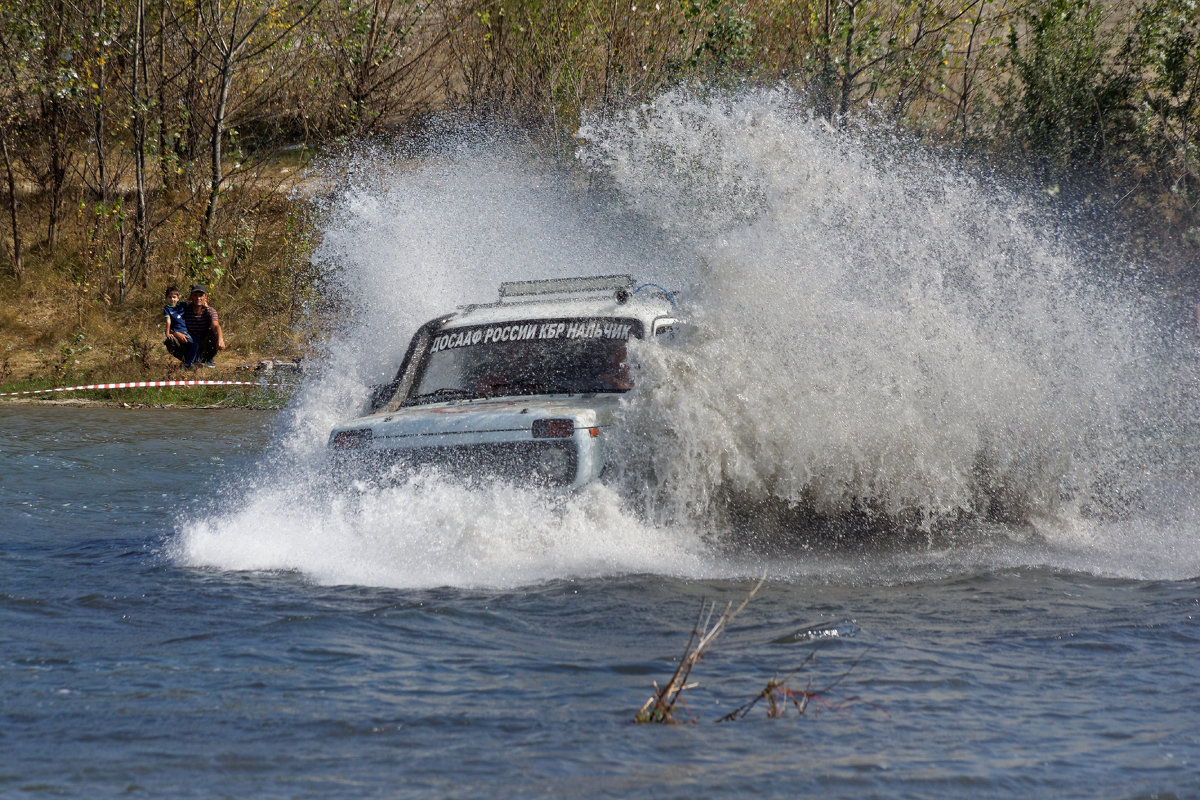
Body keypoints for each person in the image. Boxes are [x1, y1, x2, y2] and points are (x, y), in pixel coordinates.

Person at [181, 284, 226, 368]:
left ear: (205, 297)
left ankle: (208, 359)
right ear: (191, 297)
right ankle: (186, 359)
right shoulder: (184, 308)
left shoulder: (210, 311)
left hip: (204, 342)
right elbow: (172, 308)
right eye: (195, 295)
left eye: (201, 295)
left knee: (212, 333)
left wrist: (221, 339)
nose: (198, 298)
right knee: (171, 340)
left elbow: (216, 325)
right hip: (190, 340)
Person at [161, 286, 192, 364]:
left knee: (193, 343)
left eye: (174, 297)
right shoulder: (167, 308)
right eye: (170, 297)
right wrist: (167, 333)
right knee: (172, 342)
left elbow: (192, 302)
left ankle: (192, 360)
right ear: (166, 298)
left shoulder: (182, 305)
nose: (172, 299)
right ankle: (187, 361)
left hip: (186, 330)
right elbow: (168, 321)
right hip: (177, 331)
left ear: (178, 298)